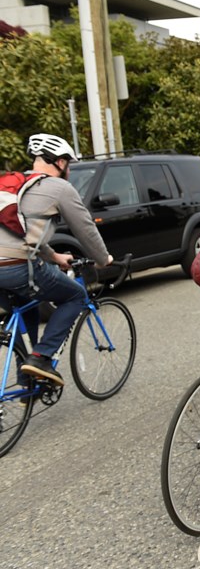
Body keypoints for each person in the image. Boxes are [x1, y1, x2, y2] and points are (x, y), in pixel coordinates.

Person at [0, 133, 113, 386]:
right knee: (76, 296)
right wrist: (103, 258)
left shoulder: (19, 186)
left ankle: (26, 380)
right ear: (60, 163)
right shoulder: (60, 188)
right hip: (15, 267)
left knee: (22, 308)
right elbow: (85, 228)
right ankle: (40, 358)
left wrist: (54, 256)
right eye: (69, 164)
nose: (69, 170)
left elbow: (22, 234)